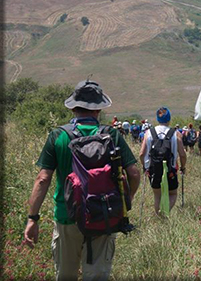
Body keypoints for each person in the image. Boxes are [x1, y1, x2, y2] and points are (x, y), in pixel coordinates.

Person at [24, 80, 140, 281]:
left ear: (74, 107)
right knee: (96, 276)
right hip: (103, 214)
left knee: (65, 275)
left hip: (66, 215)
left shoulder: (58, 136)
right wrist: (124, 201)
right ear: (99, 109)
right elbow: (134, 173)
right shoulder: (111, 134)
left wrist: (32, 218)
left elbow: (43, 179)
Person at [139, 107, 187, 214]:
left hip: (153, 169)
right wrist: (183, 167)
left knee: (157, 195)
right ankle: (165, 213)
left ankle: (159, 216)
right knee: (173, 194)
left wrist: (144, 167)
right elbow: (183, 155)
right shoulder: (175, 133)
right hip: (171, 169)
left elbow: (141, 154)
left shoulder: (149, 133)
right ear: (169, 119)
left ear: (157, 119)